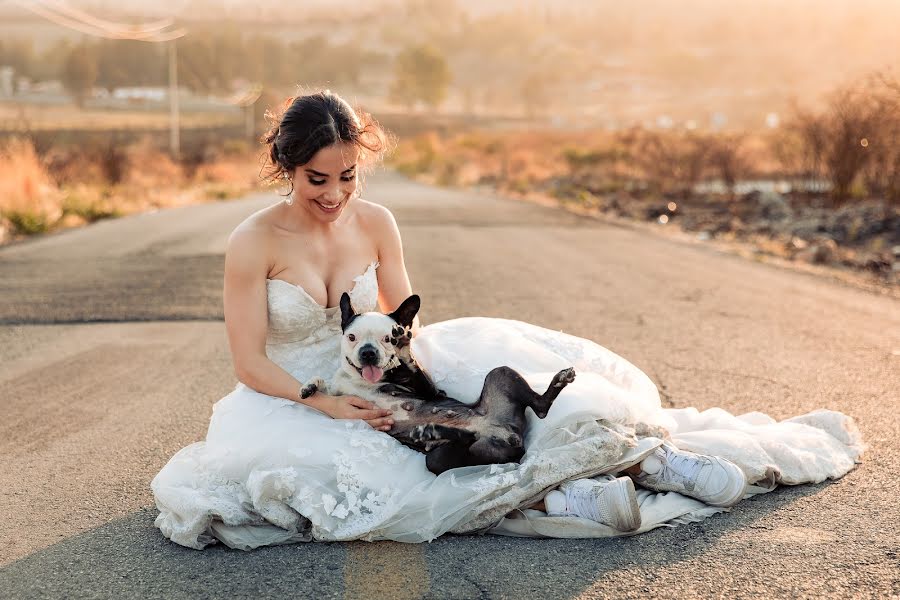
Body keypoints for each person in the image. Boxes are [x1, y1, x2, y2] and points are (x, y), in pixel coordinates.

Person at [151, 91, 863, 550]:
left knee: (509, 390)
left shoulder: (377, 221)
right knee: (394, 475)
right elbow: (250, 362)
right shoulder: (252, 243)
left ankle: (647, 455)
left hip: (395, 363)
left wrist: (419, 387)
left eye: (348, 178)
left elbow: (405, 317)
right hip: (298, 393)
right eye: (318, 180)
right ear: (286, 167)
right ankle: (572, 492)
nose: (336, 194)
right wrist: (329, 402)